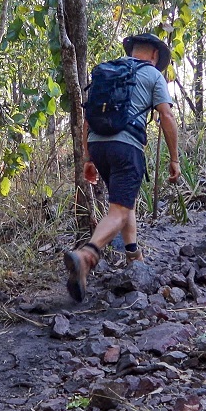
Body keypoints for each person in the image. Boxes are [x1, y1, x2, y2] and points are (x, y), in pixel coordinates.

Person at [63, 33, 181, 302]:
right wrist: (174, 159)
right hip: (127, 147)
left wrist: (89, 158)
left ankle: (133, 257)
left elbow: (87, 119)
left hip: (99, 146)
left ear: (133, 51)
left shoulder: (108, 71)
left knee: (124, 204)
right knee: (118, 210)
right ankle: (87, 255)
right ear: (153, 55)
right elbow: (166, 115)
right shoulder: (152, 75)